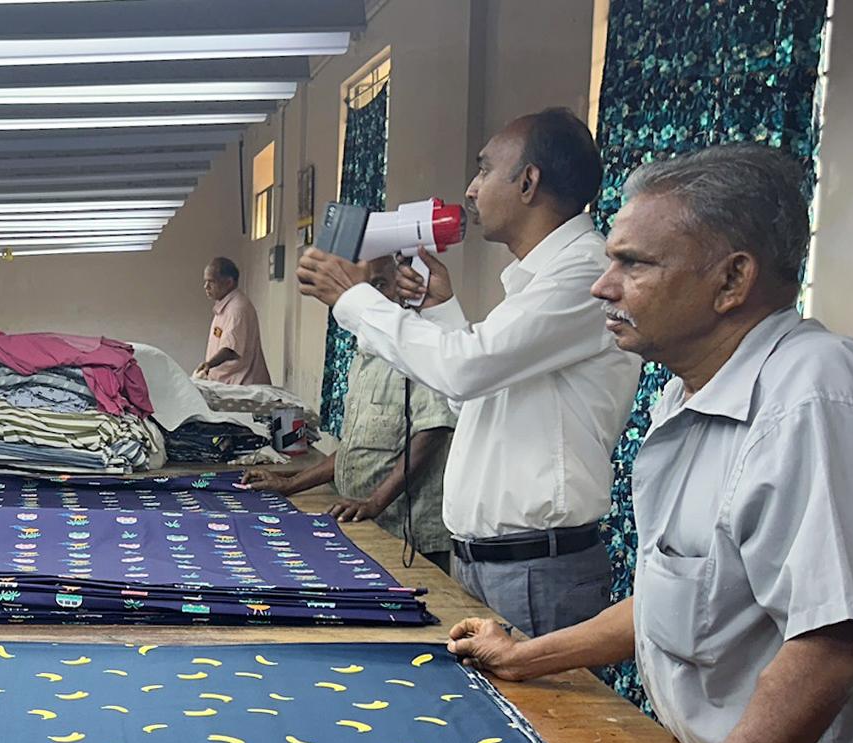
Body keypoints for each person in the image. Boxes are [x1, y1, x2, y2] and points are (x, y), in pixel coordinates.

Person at [448, 145, 853, 743]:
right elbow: (676, 591)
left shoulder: (816, 392)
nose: (604, 286)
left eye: (634, 264)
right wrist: (526, 656)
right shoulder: (684, 394)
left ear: (731, 280)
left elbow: (832, 641)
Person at [296, 107, 640, 636]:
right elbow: (469, 398)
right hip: (492, 563)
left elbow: (466, 370)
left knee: (541, 717)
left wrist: (354, 298)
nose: (472, 191)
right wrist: (440, 310)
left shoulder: (584, 273)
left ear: (528, 182)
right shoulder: (532, 282)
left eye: (483, 171)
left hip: (534, 569)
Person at [242, 256, 456, 569]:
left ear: (406, 288)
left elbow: (432, 432)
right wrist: (290, 483)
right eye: (360, 286)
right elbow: (353, 451)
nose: (366, 297)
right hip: (368, 523)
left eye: (379, 285)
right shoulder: (365, 357)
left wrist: (375, 501)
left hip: (408, 535)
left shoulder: (420, 347)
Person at [195, 256, 271, 385]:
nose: (206, 286)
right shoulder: (225, 306)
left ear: (229, 282)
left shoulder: (237, 308)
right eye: (205, 281)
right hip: (228, 383)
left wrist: (209, 364)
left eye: (211, 282)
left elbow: (230, 350)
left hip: (242, 385)